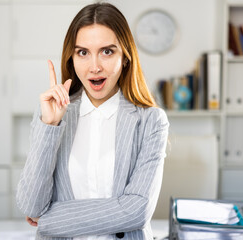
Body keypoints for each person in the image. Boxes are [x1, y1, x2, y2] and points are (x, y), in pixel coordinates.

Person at [16, 2, 169, 240]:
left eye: (107, 51)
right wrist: (50, 127)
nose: (94, 67)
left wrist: (49, 219)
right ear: (72, 58)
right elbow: (31, 206)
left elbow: (137, 211)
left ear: (125, 57)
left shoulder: (151, 121)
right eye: (83, 52)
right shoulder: (50, 113)